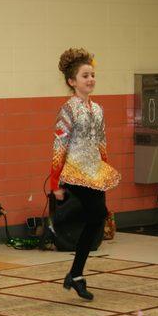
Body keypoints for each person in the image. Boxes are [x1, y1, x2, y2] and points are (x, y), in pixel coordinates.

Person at [51, 48, 120, 300]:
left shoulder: (98, 109)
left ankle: (76, 274)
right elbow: (59, 145)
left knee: (95, 220)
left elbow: (102, 141)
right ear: (72, 81)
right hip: (75, 170)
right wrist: (56, 180)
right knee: (98, 213)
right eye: (84, 76)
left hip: (94, 171)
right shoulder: (68, 109)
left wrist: (104, 166)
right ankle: (59, 219)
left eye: (92, 75)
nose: (90, 79)